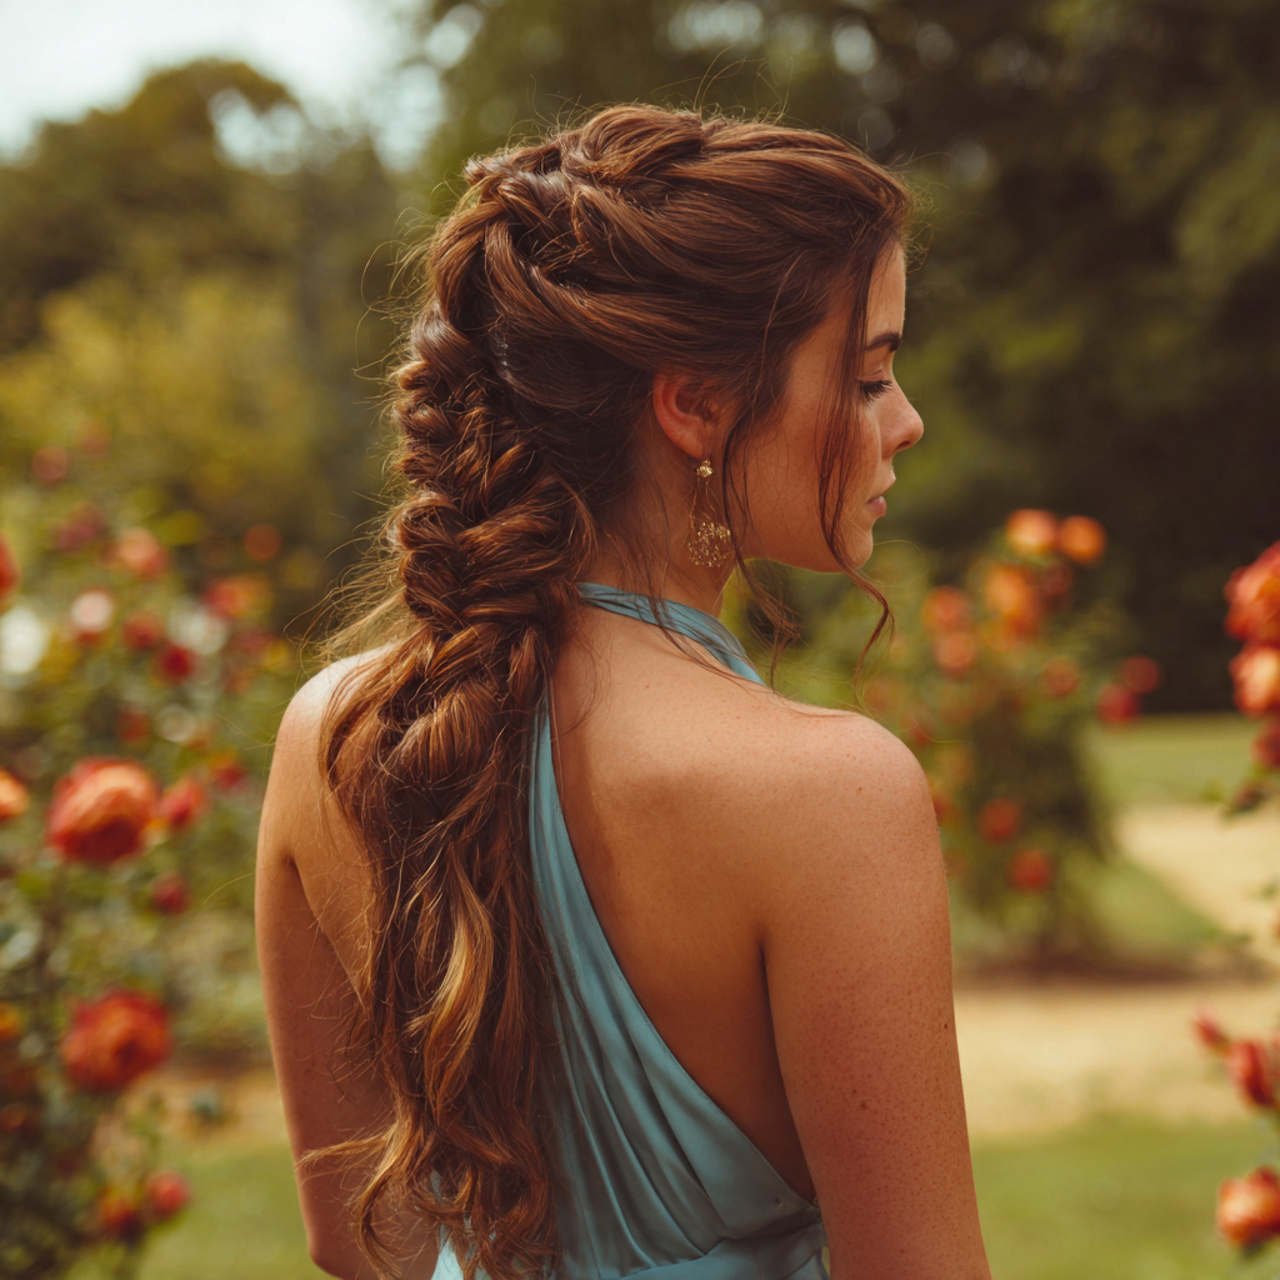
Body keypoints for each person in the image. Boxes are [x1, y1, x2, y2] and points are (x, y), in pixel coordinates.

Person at [256, 104, 992, 1280]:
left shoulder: (331, 734)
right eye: (864, 376)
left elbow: (360, 1236)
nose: (905, 421)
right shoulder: (828, 795)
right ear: (692, 402)